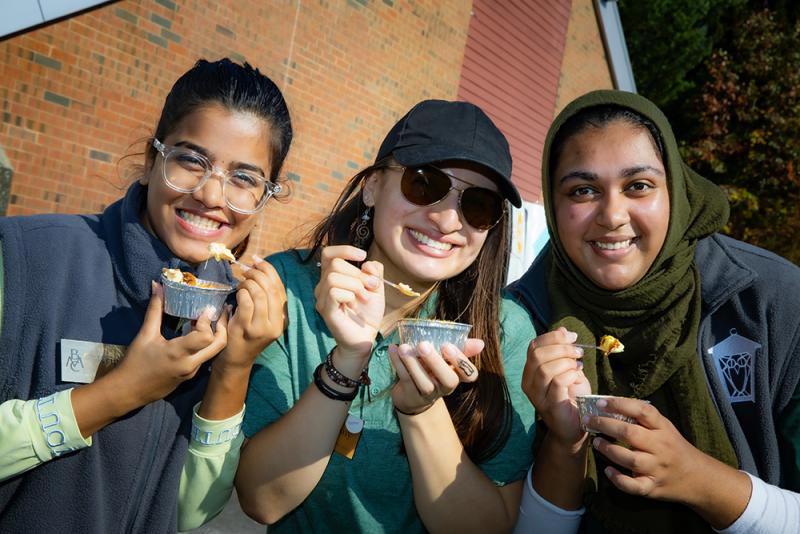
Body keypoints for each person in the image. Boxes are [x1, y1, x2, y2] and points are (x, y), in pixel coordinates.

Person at [0, 58, 292, 532]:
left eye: (244, 179)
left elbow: (190, 510)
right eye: (192, 160)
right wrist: (120, 392)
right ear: (151, 160)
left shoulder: (231, 315)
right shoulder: (24, 257)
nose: (213, 195)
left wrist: (234, 368)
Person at [234, 99, 537, 532]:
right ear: (373, 187)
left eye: (478, 205)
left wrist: (420, 410)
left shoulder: (505, 330)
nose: (448, 219)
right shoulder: (289, 289)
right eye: (424, 183)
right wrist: (347, 360)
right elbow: (262, 500)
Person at [510, 90, 800, 533]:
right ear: (553, 204)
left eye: (638, 186)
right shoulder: (520, 320)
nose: (611, 214)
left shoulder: (774, 300)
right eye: (583, 190)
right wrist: (563, 444)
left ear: (675, 191)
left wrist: (700, 480)